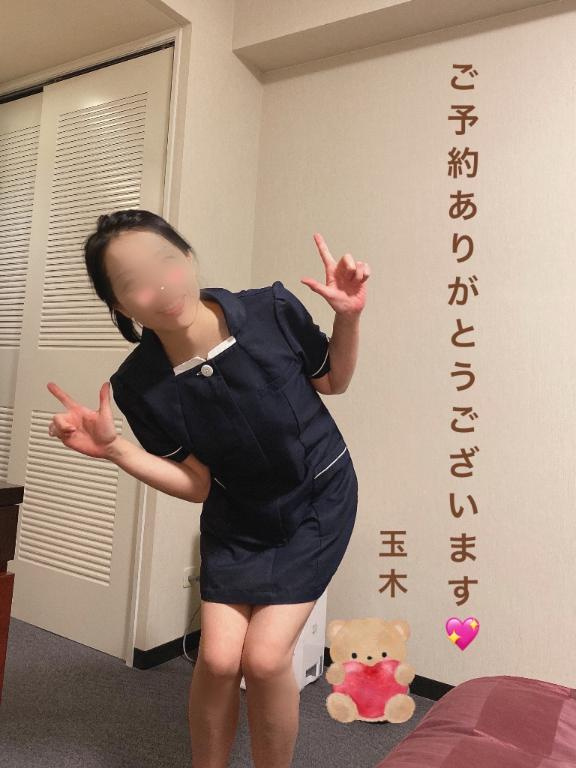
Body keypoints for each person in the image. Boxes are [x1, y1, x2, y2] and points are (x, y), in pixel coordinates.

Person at [46, 209, 370, 768]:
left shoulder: (270, 309)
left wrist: (348, 318)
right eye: (134, 282)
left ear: (187, 256)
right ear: (119, 306)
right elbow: (197, 485)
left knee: (264, 659)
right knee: (218, 661)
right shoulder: (137, 385)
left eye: (166, 262)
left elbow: (333, 380)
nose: (161, 286)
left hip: (317, 500)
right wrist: (117, 450)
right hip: (236, 515)